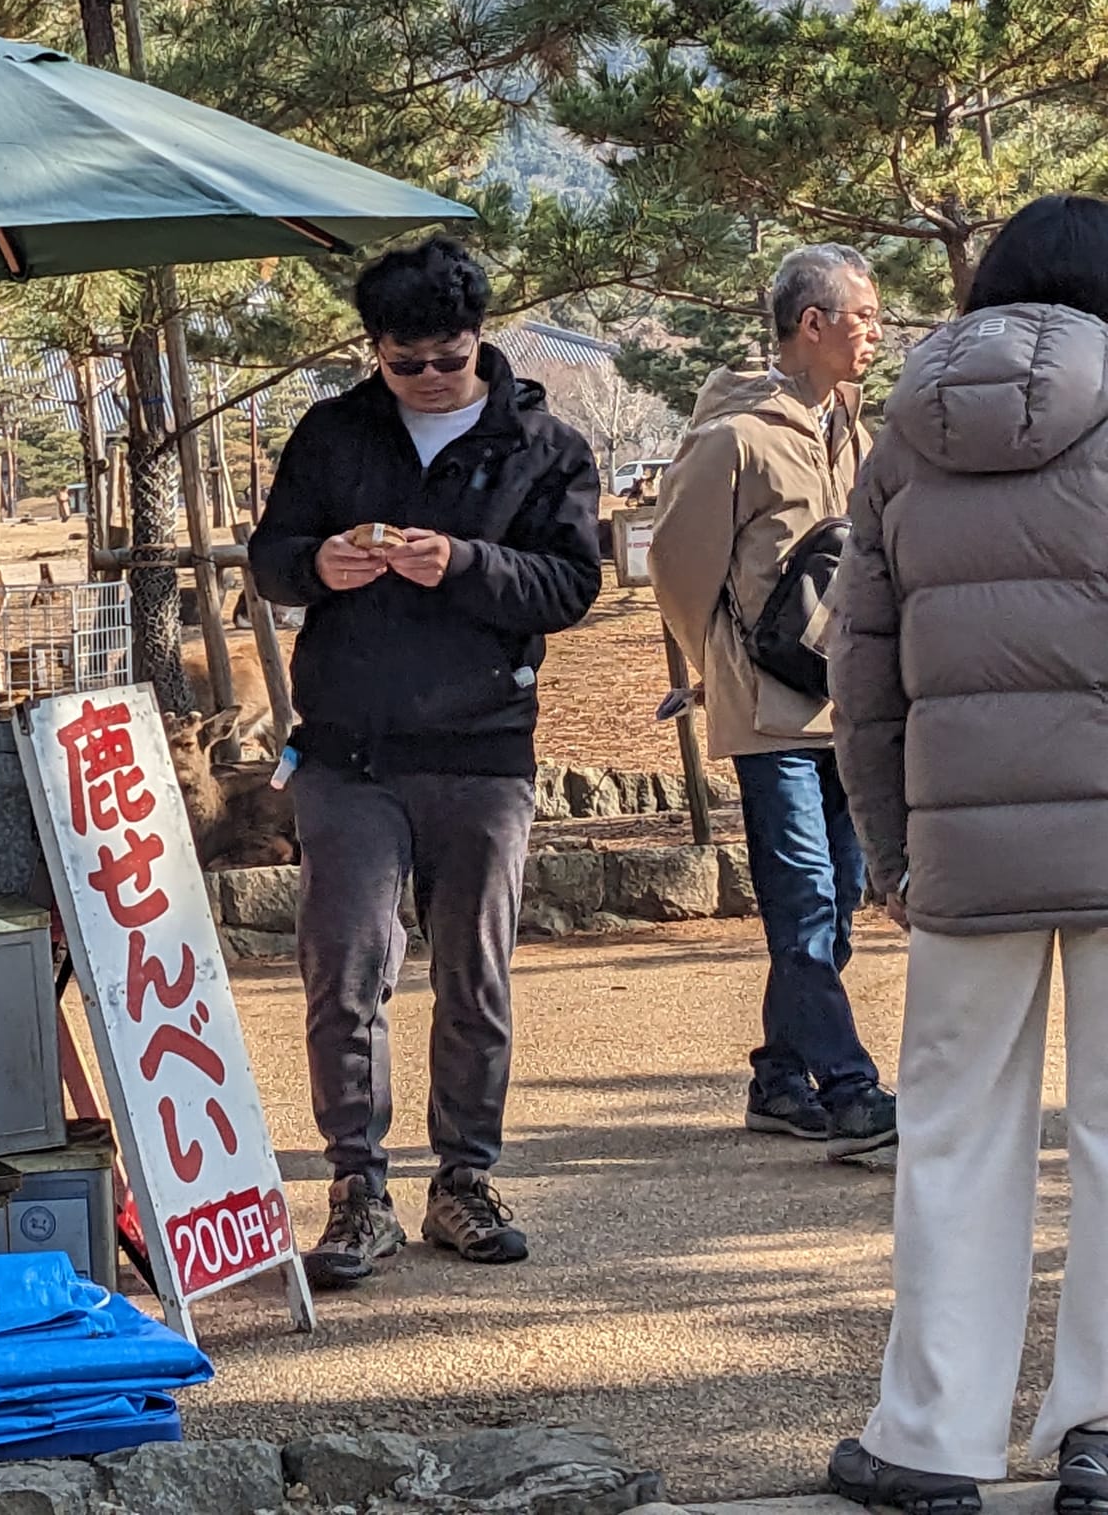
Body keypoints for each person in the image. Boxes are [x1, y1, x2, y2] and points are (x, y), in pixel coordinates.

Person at [248, 236, 603, 1289]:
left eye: (449, 358)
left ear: (479, 339)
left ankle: (465, 1177)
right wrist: (318, 564)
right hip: (345, 749)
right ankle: (356, 1186)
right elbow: (270, 557)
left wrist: (462, 563)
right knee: (344, 970)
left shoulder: (543, 445)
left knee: (473, 973)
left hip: (481, 749)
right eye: (405, 364)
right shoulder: (332, 432)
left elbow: (571, 586)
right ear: (374, 350)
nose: (431, 378)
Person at [826, 195, 1108, 1515]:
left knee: (950, 1132)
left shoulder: (903, 434)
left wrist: (890, 844)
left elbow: (859, 665)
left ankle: (931, 1438)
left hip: (962, 841)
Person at [648, 245, 896, 1156]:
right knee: (803, 902)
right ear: (812, 324)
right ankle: (850, 1086)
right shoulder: (734, 439)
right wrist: (720, 666)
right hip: (768, 715)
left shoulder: (856, 433)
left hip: (846, 708)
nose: (876, 333)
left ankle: (780, 1078)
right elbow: (677, 568)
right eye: (864, 316)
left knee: (838, 903)